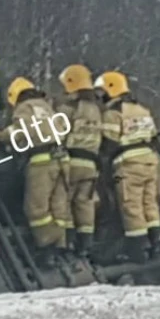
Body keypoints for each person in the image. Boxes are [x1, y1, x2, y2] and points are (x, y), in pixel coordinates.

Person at [0, 77, 73, 266]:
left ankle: (45, 249)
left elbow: (20, 131)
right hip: (62, 158)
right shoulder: (46, 106)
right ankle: (62, 246)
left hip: (42, 160)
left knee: (37, 209)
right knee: (58, 207)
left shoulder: (24, 108)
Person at [95, 71, 160, 262]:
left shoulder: (113, 113)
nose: (101, 97)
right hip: (150, 161)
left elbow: (109, 143)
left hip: (129, 164)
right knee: (149, 203)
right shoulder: (142, 110)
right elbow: (153, 136)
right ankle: (156, 244)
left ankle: (138, 249)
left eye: (102, 92)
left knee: (131, 205)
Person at [55, 64, 104, 259]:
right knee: (84, 203)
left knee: (65, 202)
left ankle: (68, 243)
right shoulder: (97, 110)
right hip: (91, 164)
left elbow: (57, 133)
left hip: (72, 162)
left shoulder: (68, 109)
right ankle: (86, 244)